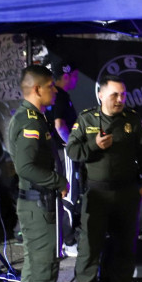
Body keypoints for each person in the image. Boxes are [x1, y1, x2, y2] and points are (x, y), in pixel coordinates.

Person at [65, 75, 142, 282]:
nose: (120, 99)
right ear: (101, 95)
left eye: (123, 95)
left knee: (124, 245)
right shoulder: (87, 119)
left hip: (127, 192)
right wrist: (94, 145)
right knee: (89, 247)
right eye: (115, 94)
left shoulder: (132, 120)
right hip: (97, 193)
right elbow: (72, 150)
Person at [7, 65, 82, 282]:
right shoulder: (30, 121)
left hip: (38, 202)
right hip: (38, 205)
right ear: (37, 89)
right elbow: (25, 166)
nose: (55, 90)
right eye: (50, 86)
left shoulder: (35, 116)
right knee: (42, 271)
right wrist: (58, 181)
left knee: (35, 270)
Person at [49, 61, 81, 254]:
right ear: (67, 75)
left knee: (63, 193)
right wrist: (72, 145)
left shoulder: (56, 95)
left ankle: (62, 239)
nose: (76, 80)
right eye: (75, 76)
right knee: (69, 193)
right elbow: (59, 125)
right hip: (63, 152)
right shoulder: (60, 96)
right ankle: (68, 242)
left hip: (56, 152)